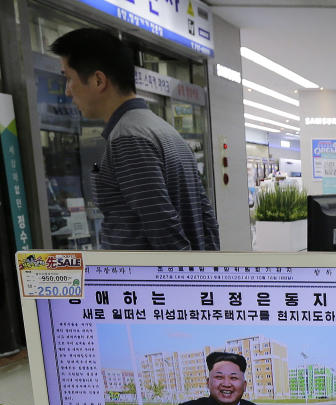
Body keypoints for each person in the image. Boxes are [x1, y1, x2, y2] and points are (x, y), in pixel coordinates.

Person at [51, 28, 219, 251]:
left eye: (69, 79)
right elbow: (207, 219)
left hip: (143, 284)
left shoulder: (128, 138)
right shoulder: (164, 130)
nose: (68, 91)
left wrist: (183, 283)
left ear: (98, 80)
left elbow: (164, 230)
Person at [159, 352, 267, 405]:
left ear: (244, 385)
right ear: (208, 383)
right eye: (219, 377)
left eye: (233, 378)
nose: (226, 384)